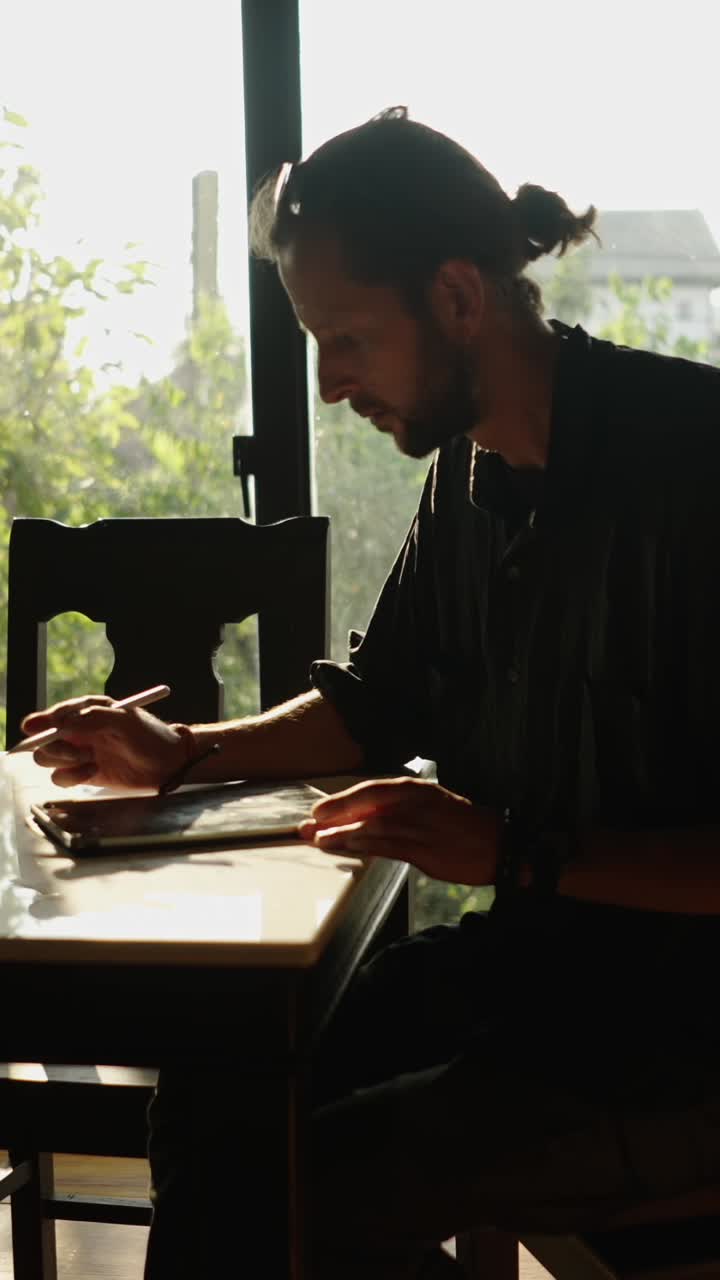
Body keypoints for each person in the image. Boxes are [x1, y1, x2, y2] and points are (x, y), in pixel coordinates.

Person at [21, 107, 720, 1278]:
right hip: (537, 982)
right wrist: (182, 750)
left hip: (678, 1043)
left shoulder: (694, 460)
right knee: (212, 1101)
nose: (331, 384)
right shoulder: (467, 473)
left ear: (457, 297)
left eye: (344, 337)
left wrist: (510, 849)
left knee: (274, 1197)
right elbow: (375, 702)